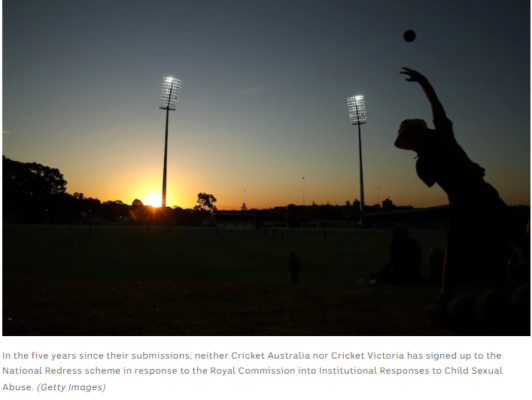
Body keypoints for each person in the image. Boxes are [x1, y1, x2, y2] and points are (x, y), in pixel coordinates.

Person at [395, 67, 514, 301]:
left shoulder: (440, 136)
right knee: (456, 247)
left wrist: (424, 82)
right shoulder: (423, 163)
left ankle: (501, 274)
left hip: (480, 194)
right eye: (406, 142)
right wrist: (469, 166)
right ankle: (446, 294)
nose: (409, 145)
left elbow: (436, 105)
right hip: (462, 201)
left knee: (507, 235)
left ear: (420, 132)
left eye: (409, 139)